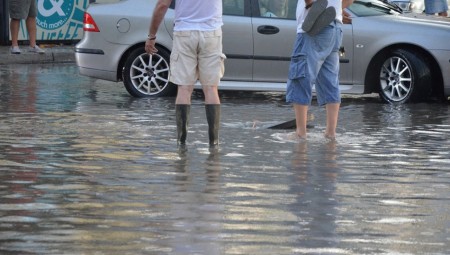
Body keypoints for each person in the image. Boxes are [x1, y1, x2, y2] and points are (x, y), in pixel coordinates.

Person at [145, 0, 225, 147]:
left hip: (184, 33)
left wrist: (151, 36)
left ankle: (181, 143)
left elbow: (162, 5)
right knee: (211, 88)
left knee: (184, 88)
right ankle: (214, 144)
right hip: (212, 34)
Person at [286, 0, 353, 141]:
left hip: (314, 27)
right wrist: (337, 9)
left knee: (301, 76)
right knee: (330, 80)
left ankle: (300, 132)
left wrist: (312, 4)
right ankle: (330, 133)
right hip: (336, 28)